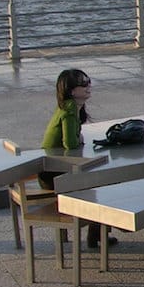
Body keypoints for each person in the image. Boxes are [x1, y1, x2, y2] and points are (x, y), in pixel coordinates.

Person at [40, 68, 116, 248]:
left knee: (101, 181)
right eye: (83, 84)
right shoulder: (69, 110)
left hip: (58, 167)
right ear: (72, 91)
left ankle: (97, 234)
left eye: (89, 82)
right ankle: (97, 235)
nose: (89, 87)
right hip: (53, 174)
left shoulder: (71, 107)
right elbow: (71, 144)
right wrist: (77, 139)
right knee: (102, 182)